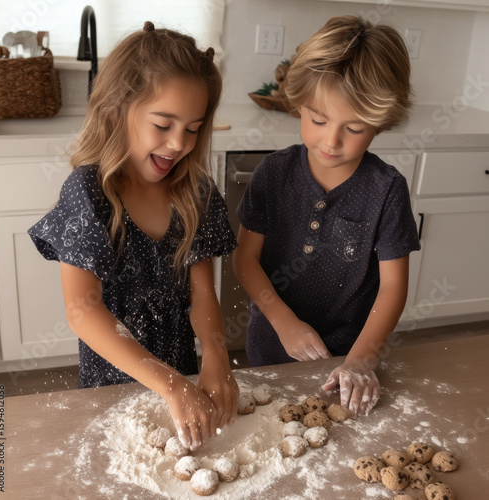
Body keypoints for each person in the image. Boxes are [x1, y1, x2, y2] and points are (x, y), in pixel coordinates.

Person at [28, 22, 239, 451]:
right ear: (116, 109)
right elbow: (82, 311)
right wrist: (169, 385)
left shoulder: (195, 193)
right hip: (113, 383)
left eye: (193, 128)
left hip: (183, 374)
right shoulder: (90, 193)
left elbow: (202, 294)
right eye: (163, 124)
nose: (179, 143)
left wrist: (216, 358)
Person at [234, 15, 420, 419]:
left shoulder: (387, 189)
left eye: (354, 128)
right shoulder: (273, 174)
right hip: (272, 347)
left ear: (380, 125)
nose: (332, 141)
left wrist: (361, 360)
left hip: (349, 361)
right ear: (298, 104)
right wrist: (284, 322)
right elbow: (244, 259)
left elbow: (392, 287)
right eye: (318, 120)